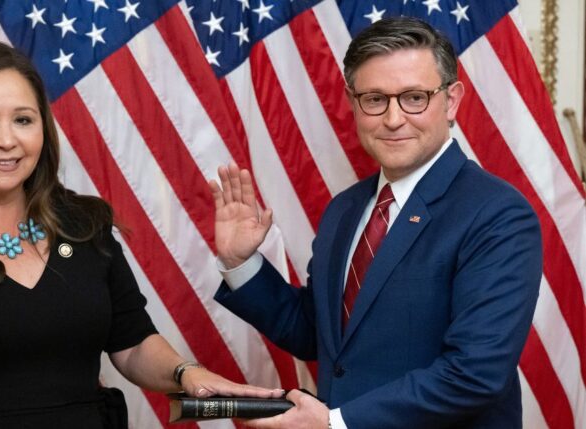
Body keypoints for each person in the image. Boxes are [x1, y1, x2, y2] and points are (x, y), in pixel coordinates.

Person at [0, 41, 281, 428]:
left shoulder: (84, 224)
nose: (7, 140)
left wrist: (186, 372)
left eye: (24, 120)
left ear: (43, 133)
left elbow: (132, 343)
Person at [211, 17, 542, 429]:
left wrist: (337, 423)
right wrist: (241, 262)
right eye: (374, 99)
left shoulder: (497, 214)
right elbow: (319, 336)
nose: (393, 118)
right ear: (353, 102)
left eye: (414, 97)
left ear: (452, 100)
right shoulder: (345, 210)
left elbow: (474, 374)